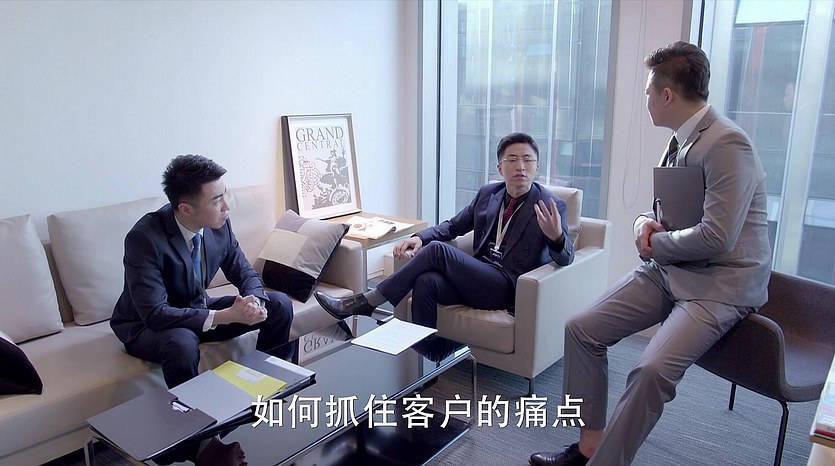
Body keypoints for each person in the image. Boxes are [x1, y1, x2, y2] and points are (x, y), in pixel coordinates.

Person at [529, 41, 771, 466]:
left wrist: (654, 243)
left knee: (650, 371)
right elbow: (661, 212)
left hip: (718, 284)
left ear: (667, 95)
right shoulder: (680, 141)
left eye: (647, 92)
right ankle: (588, 447)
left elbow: (718, 236)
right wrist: (643, 224)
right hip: (673, 268)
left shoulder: (728, 144)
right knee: (581, 328)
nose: (645, 100)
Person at [314, 132, 574, 327]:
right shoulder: (488, 194)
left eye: (528, 160)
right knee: (426, 282)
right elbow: (453, 226)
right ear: (500, 167)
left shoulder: (551, 205)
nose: (520, 167)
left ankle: (369, 301)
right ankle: (426, 365)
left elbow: (567, 258)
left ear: (536, 167)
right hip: (480, 274)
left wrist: (556, 238)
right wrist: (420, 237)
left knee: (437, 251)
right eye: (512, 160)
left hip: (508, 287)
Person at [111, 154, 293, 388]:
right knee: (182, 343)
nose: (226, 206)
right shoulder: (144, 239)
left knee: (278, 304)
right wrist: (226, 316)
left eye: (224, 195)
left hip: (198, 308)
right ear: (186, 209)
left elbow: (245, 273)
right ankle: (193, 409)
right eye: (217, 201)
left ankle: (265, 386)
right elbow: (155, 313)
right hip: (146, 325)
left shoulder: (218, 224)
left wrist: (253, 302)